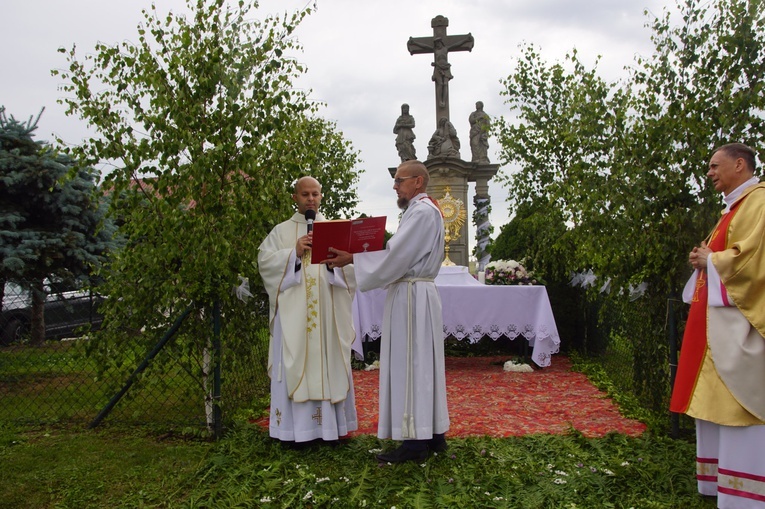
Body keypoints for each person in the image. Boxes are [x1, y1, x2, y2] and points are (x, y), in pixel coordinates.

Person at [322, 160, 449, 463]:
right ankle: (432, 434)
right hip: (417, 294)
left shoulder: (421, 212)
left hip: (411, 297)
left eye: (399, 180)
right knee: (423, 365)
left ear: (418, 182)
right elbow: (398, 253)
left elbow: (397, 256)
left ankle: (415, 443)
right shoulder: (423, 210)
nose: (395, 185)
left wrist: (353, 258)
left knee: (411, 365)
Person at [670, 143, 765, 507]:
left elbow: (753, 262)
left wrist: (714, 259)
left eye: (714, 165)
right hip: (718, 328)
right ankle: (723, 483)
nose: (709, 173)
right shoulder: (733, 209)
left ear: (740, 165)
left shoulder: (758, 202)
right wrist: (704, 260)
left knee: (742, 406)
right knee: (716, 404)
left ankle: (747, 494)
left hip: (739, 331)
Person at [257, 176, 358, 448]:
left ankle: (332, 430)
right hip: (294, 316)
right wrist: (293, 253)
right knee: (295, 359)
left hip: (328, 314)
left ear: (322, 196)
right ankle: (295, 433)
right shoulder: (281, 232)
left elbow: (351, 269)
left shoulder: (335, 229)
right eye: (305, 194)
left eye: (315, 194)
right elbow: (265, 263)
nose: (310, 199)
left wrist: (333, 265)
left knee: (328, 361)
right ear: (295, 197)